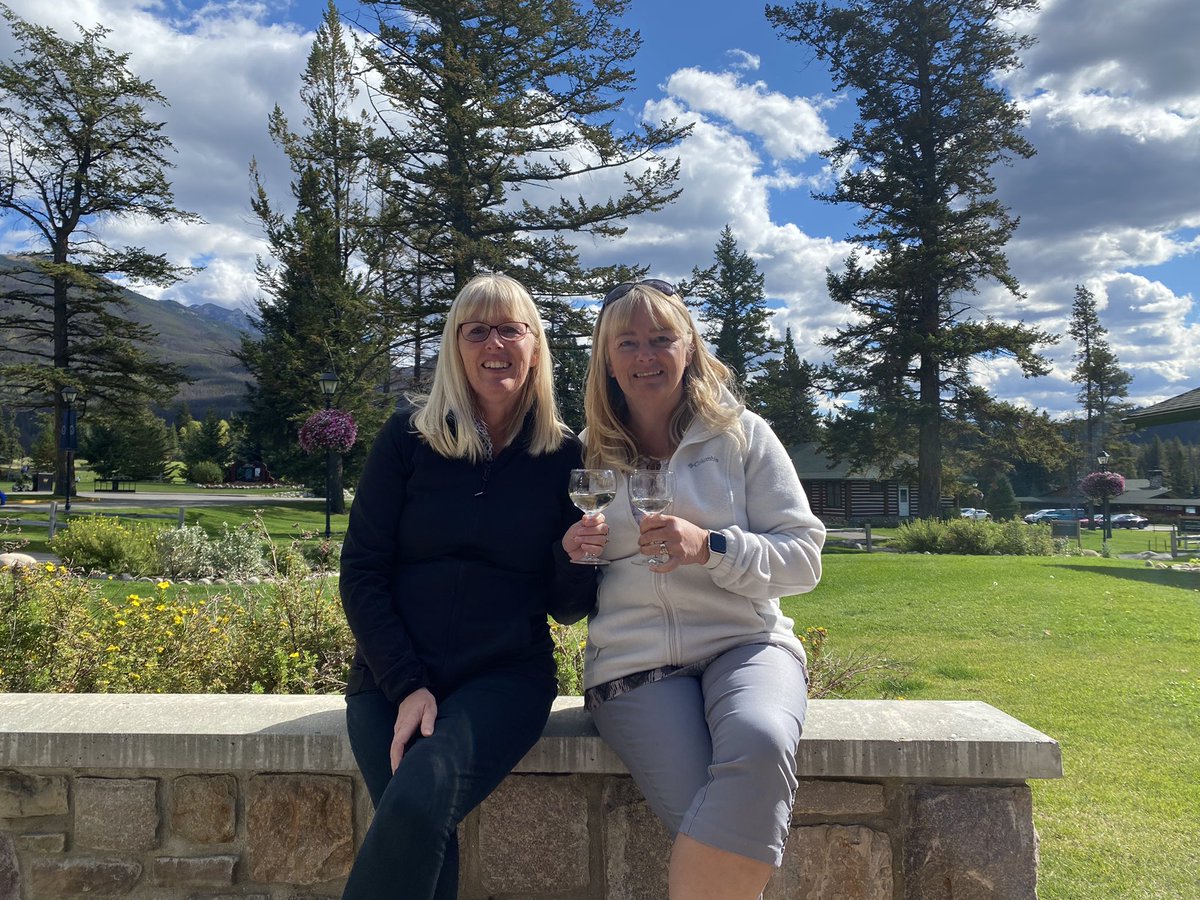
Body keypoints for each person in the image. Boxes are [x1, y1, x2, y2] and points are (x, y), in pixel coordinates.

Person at [339, 272, 603, 900]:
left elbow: (566, 608)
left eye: (511, 329)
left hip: (504, 678)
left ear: (535, 347)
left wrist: (574, 558)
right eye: (476, 330)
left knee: (418, 805)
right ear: (456, 348)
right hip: (388, 678)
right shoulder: (408, 438)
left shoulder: (563, 456)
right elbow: (363, 570)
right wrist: (407, 686)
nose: (495, 344)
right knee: (421, 821)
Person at [573, 279, 826, 900]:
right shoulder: (583, 451)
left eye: (661, 339)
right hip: (634, 664)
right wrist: (570, 552)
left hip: (746, 643)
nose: (645, 356)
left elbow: (803, 559)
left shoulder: (743, 435)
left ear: (689, 347)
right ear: (607, 359)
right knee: (712, 818)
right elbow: (553, 582)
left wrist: (712, 546)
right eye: (627, 343)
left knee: (762, 742)